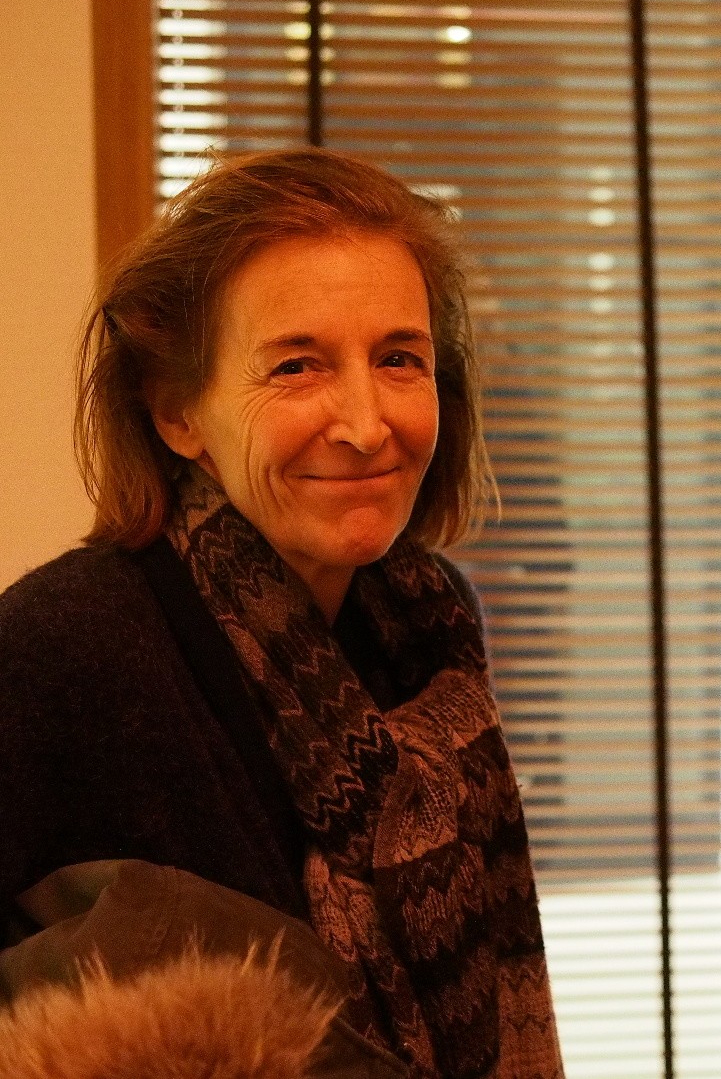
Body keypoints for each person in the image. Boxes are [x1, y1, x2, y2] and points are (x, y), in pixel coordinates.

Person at [0, 149, 563, 1079]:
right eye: (297, 366)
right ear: (178, 411)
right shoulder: (57, 652)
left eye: (399, 359)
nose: (366, 424)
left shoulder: (430, 630)